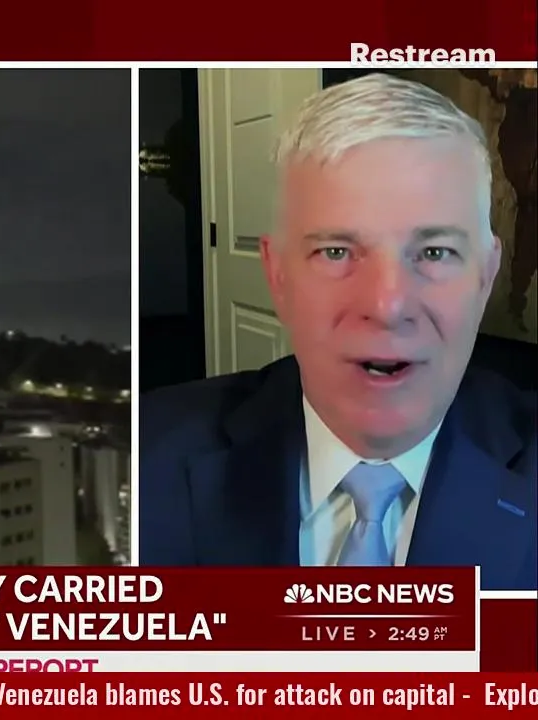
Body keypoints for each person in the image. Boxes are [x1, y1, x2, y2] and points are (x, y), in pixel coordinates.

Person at [139, 74, 537, 591]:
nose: (386, 306)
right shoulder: (137, 456)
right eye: (335, 252)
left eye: (434, 252)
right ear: (277, 275)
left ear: (486, 275)